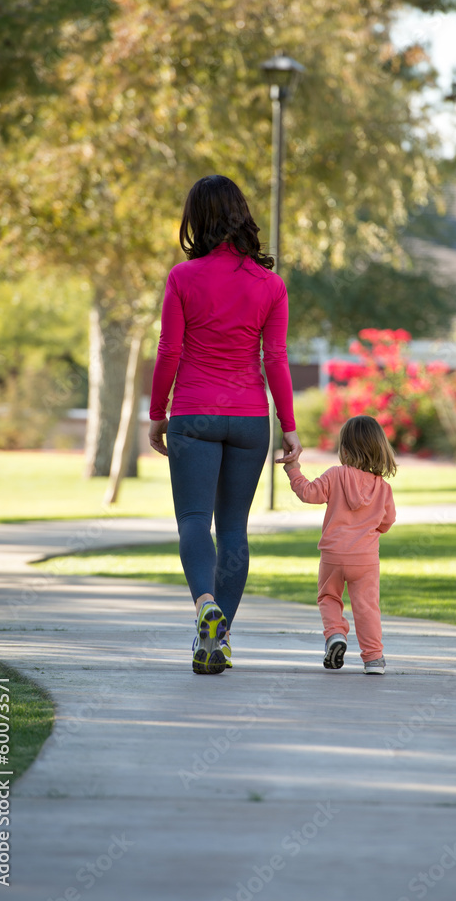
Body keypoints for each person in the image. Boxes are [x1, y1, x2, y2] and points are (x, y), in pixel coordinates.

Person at [148, 175, 302, 675]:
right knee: (233, 527)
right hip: (250, 419)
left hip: (194, 414)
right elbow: (274, 358)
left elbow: (170, 349)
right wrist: (290, 425)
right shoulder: (269, 284)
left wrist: (157, 414)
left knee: (194, 521)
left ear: (196, 219)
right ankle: (217, 642)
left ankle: (204, 607)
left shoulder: (183, 277)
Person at [279, 414, 396, 675]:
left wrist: (293, 470)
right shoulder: (383, 488)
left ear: (344, 449)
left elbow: (308, 493)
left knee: (329, 597)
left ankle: (335, 636)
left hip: (333, 555)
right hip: (365, 559)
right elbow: (387, 522)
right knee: (367, 607)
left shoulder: (335, 475)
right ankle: (373, 659)